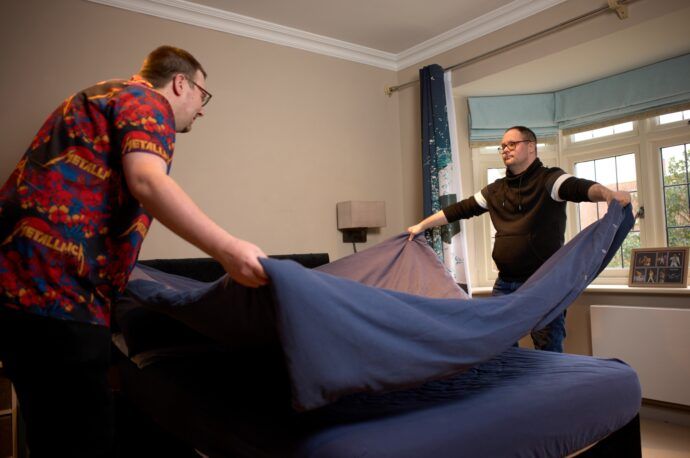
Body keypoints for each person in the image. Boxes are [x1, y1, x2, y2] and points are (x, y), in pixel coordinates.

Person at [0, 45, 267, 457]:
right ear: (180, 83)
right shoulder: (147, 101)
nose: (202, 110)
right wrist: (230, 250)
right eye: (203, 96)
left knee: (58, 432)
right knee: (81, 443)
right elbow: (148, 182)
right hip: (56, 296)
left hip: (23, 292)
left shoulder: (101, 97)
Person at [407, 126, 630, 353]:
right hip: (505, 284)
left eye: (511, 144)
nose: (505, 149)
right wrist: (422, 226)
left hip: (544, 283)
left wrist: (607, 194)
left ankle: (548, 389)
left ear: (531, 146)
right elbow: (459, 209)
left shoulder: (550, 180)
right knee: (498, 345)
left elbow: (579, 187)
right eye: (502, 146)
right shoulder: (495, 191)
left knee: (548, 347)